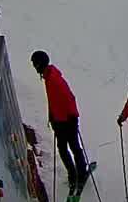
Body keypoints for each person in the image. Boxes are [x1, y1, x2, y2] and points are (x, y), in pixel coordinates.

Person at [31, 51, 88, 194]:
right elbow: (54, 101)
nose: (34, 67)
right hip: (60, 121)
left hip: (67, 121)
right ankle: (73, 173)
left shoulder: (54, 79)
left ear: (40, 64)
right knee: (64, 148)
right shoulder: (48, 77)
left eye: (34, 64)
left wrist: (71, 117)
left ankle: (80, 173)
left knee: (73, 147)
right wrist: (52, 116)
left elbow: (69, 98)